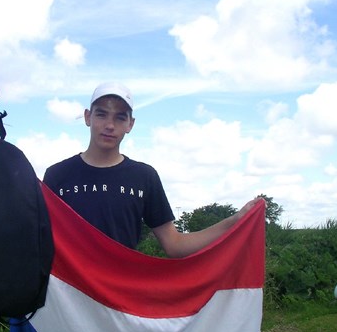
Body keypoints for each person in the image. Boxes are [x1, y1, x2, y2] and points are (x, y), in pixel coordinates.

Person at [43, 82, 262, 258]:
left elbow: (174, 245)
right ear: (87, 117)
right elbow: (40, 241)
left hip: (118, 299)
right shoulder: (57, 175)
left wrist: (234, 221)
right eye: (101, 114)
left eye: (120, 117)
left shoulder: (143, 177)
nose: (110, 125)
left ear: (131, 124)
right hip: (67, 300)